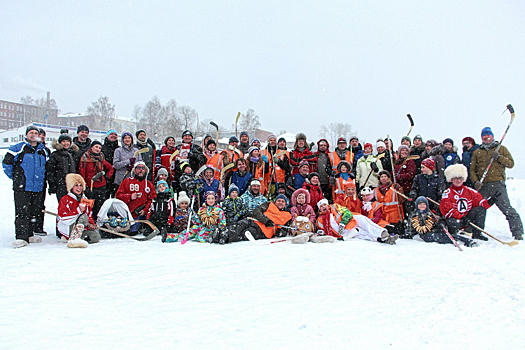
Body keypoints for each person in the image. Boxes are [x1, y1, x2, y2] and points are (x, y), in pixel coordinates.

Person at [470, 127, 523, 240]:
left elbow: (511, 164)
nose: (486, 137)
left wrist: (499, 157)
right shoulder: (477, 152)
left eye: (488, 135)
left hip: (498, 185)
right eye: (484, 135)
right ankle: (475, 231)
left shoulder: (501, 149)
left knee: (507, 208)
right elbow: (472, 169)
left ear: (492, 136)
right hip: (483, 185)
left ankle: (517, 232)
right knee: (478, 208)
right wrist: (475, 182)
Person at [3, 126, 49, 248]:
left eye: (36, 133)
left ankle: (30, 233)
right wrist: (17, 178)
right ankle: (21, 236)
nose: (33, 135)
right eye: (31, 133)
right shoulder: (18, 148)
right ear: (26, 135)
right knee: (22, 211)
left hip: (38, 187)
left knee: (34, 211)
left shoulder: (43, 150)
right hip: (23, 187)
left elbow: (47, 168)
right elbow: (7, 164)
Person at [440, 164, 496, 241]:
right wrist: (461, 217)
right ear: (451, 179)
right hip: (456, 220)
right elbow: (447, 210)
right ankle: (454, 234)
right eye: (456, 178)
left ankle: (477, 233)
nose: (458, 181)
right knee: (452, 221)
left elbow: (481, 204)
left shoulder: (470, 191)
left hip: (467, 219)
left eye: (460, 178)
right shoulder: (447, 193)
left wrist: (490, 202)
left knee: (480, 210)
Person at [213, 195, 292, 244]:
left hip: (263, 231)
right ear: (275, 201)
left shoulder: (287, 215)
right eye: (279, 201)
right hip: (254, 220)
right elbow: (257, 211)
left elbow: (285, 229)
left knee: (244, 234)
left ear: (285, 204)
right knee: (238, 226)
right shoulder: (268, 204)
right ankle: (221, 233)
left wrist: (280, 233)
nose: (280, 203)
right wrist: (266, 220)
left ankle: (225, 238)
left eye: (282, 201)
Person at [316, 199, 397, 244]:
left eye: (324, 205)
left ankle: (382, 233)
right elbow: (322, 230)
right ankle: (383, 239)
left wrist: (342, 223)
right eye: (321, 206)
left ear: (327, 205)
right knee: (364, 234)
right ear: (319, 209)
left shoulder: (335, 207)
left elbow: (347, 212)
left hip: (351, 219)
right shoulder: (319, 219)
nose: (323, 207)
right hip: (346, 231)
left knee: (366, 222)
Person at [407, 197, 478, 247]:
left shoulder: (430, 213)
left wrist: (441, 223)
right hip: (426, 235)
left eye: (424, 204)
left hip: (435, 230)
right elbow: (411, 226)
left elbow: (438, 219)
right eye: (420, 204)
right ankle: (457, 241)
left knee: (447, 235)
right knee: (442, 237)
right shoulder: (414, 214)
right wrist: (409, 234)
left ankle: (466, 241)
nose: (422, 206)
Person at [56, 173, 100, 245]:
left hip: (82, 228)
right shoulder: (65, 199)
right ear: (71, 187)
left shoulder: (85, 199)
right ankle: (74, 237)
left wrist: (91, 224)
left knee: (96, 237)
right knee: (83, 217)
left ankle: (79, 238)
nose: (79, 188)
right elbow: (63, 218)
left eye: (80, 185)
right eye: (76, 185)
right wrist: (78, 210)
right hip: (68, 226)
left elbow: (89, 214)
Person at [116, 161, 156, 235]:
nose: (141, 170)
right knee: (131, 231)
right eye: (138, 168)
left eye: (143, 168)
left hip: (144, 214)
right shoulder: (126, 181)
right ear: (134, 170)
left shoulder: (149, 184)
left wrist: (145, 209)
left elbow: (152, 199)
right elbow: (118, 196)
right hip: (129, 215)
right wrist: (129, 197)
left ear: (146, 170)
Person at [78, 140, 114, 218]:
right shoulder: (85, 158)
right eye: (96, 147)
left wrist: (107, 176)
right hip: (90, 186)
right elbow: (82, 174)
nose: (98, 149)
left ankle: (97, 222)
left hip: (101, 186)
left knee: (100, 206)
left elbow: (111, 168)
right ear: (91, 147)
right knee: (90, 206)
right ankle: (89, 221)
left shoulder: (101, 159)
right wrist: (85, 186)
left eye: (99, 148)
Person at [47, 133, 78, 202]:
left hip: (72, 184)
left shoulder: (74, 154)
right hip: (60, 184)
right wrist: (52, 184)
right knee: (63, 204)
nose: (66, 143)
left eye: (67, 141)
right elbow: (50, 171)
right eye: (63, 141)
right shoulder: (55, 155)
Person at [373, 170, 405, 235]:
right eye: (382, 177)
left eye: (385, 176)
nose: (384, 178)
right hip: (383, 218)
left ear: (389, 178)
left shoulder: (395, 187)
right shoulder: (376, 190)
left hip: (395, 217)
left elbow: (402, 199)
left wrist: (399, 189)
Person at [393, 144, 417, 214]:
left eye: (406, 150)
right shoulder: (396, 163)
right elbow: (392, 174)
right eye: (403, 150)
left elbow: (411, 174)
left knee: (408, 207)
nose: (405, 152)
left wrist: (400, 177)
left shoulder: (410, 161)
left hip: (407, 189)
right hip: (398, 189)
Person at [102, 129, 120, 198]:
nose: (113, 136)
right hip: (105, 176)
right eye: (111, 134)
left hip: (116, 177)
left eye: (115, 134)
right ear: (107, 136)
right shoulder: (102, 148)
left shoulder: (118, 149)